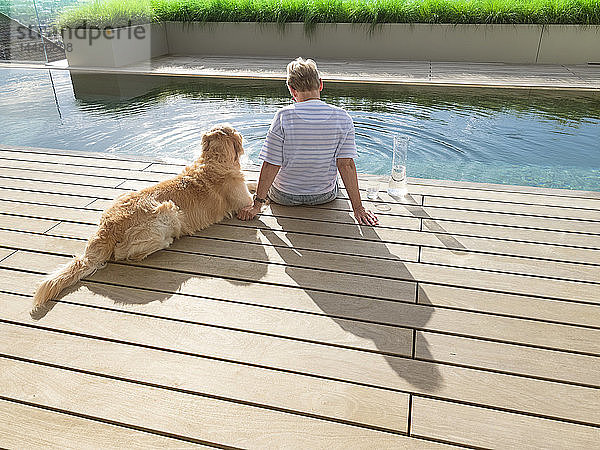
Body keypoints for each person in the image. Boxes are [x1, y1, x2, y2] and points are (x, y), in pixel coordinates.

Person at [237, 57, 378, 226]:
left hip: (284, 196)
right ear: (320, 84)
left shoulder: (283, 116)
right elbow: (345, 165)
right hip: (324, 196)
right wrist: (358, 209)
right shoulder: (343, 117)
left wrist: (256, 205)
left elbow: (270, 164)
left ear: (291, 89)